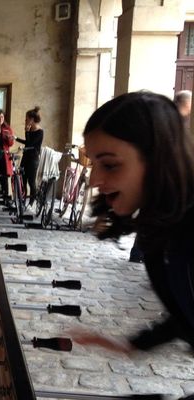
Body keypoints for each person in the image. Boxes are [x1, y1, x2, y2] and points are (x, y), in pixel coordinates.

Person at [72, 91, 194, 357]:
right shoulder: (161, 228)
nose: (94, 180)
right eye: (94, 163)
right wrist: (137, 344)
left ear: (157, 159)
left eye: (110, 165)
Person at [16, 106, 44, 208]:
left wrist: (26, 131)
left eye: (26, 119)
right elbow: (27, 142)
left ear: (32, 120)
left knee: (31, 181)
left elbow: (30, 144)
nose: (25, 121)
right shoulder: (30, 130)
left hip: (33, 159)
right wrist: (16, 138)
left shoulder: (40, 131)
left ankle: (32, 202)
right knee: (22, 179)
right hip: (25, 157)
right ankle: (23, 201)